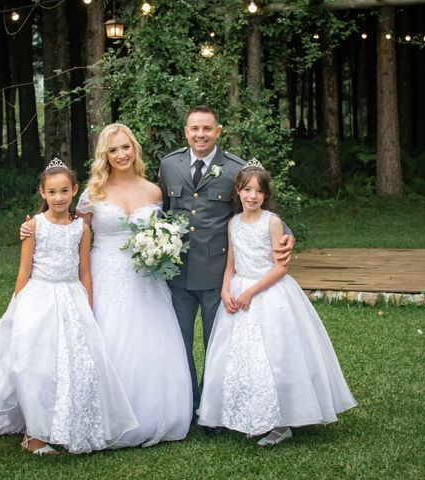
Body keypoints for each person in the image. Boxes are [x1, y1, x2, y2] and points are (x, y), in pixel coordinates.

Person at [0, 160, 138, 455]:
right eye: (52, 191)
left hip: (71, 297)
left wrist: (88, 305)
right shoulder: (34, 226)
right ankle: (34, 434)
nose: (58, 197)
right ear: (42, 193)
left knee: (75, 363)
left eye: (64, 191)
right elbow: (24, 271)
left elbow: (85, 271)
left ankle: (66, 421)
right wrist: (18, 306)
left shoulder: (81, 230)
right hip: (39, 297)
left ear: (74, 190)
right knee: (37, 364)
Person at [21, 124, 193, 447]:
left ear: (135, 148)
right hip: (104, 275)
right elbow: (67, 228)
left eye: (125, 147)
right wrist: (31, 225)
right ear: (105, 155)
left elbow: (165, 231)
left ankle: (153, 415)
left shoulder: (154, 192)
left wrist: (162, 247)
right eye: (113, 150)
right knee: (102, 342)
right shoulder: (92, 194)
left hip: (147, 282)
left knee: (148, 344)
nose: (121, 154)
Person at [197, 162, 357, 445]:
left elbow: (280, 268)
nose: (252, 196)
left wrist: (251, 293)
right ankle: (252, 413)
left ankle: (282, 422)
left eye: (259, 191)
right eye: (247, 190)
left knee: (277, 356)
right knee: (242, 357)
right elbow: (230, 265)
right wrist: (225, 291)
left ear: (266, 195)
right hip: (238, 291)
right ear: (238, 191)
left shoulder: (271, 222)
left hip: (269, 293)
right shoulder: (232, 224)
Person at [158, 105, 295, 417]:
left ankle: (211, 406)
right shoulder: (169, 164)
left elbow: (258, 205)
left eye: (207, 129)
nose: (200, 134)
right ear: (186, 132)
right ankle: (187, 403)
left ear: (218, 131)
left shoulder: (234, 168)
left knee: (216, 344)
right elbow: (162, 209)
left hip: (217, 274)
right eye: (195, 129)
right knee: (177, 342)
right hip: (176, 272)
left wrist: (287, 235)